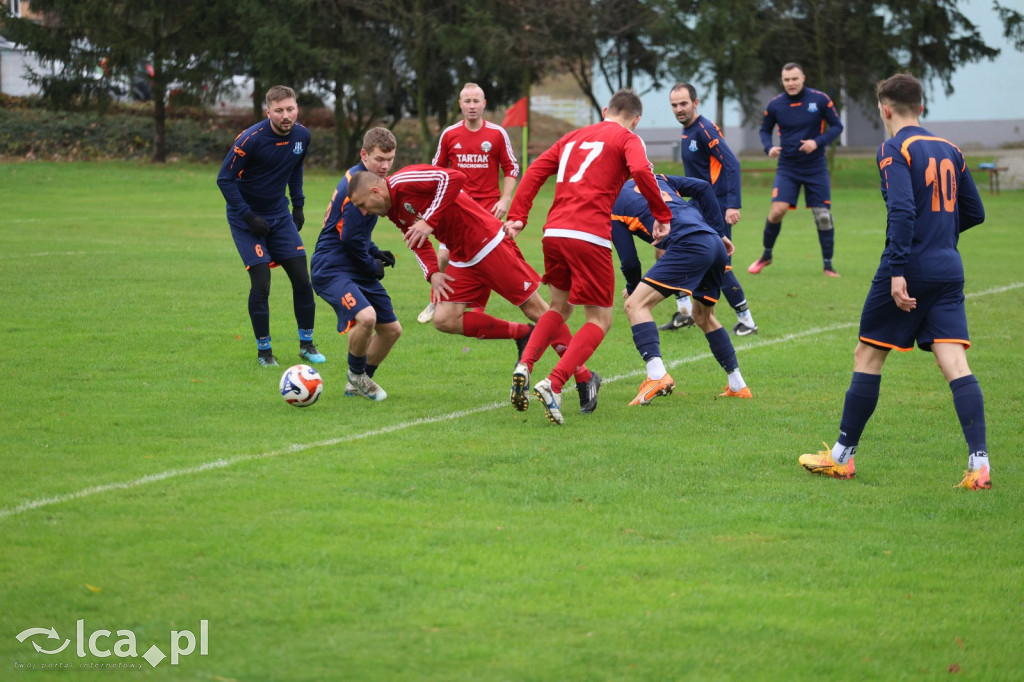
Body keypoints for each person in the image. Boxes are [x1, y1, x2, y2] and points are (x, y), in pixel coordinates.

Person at [798, 72, 989, 490]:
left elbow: (902, 211)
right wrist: (942, 237)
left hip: (908, 266)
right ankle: (979, 465)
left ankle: (842, 458)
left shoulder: (894, 147)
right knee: (955, 363)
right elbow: (975, 213)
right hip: (948, 266)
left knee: (867, 355)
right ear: (920, 107)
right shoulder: (951, 149)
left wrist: (899, 271)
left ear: (885, 109)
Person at [347, 165, 602, 414]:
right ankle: (522, 335)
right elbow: (417, 239)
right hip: (463, 256)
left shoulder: (405, 180)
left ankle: (583, 376)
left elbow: (454, 178)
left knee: (536, 309)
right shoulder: (393, 210)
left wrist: (428, 220)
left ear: (375, 192)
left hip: (487, 242)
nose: (364, 212)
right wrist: (433, 273)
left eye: (362, 205)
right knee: (445, 319)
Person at [505, 89, 671, 425]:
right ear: (636, 120)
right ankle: (553, 383)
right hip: (588, 235)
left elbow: (536, 170)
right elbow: (641, 169)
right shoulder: (628, 138)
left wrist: (519, 214)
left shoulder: (572, 136)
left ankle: (525, 364)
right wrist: (661, 214)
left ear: (606, 109)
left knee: (558, 308)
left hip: (553, 232)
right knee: (600, 320)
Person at [613, 174, 752, 405]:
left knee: (635, 305)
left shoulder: (614, 202)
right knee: (703, 316)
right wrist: (720, 233)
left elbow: (629, 262)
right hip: (713, 242)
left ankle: (657, 375)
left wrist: (632, 287)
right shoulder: (659, 178)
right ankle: (738, 384)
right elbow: (704, 187)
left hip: (688, 244)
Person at [216, 85, 324, 368]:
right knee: (262, 283)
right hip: (246, 219)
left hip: (279, 215)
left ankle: (307, 345)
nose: (286, 115)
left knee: (302, 278)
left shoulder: (302, 136)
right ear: (268, 112)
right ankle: (265, 352)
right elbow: (224, 180)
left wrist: (298, 205)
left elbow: (295, 168)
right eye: (279, 110)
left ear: (297, 108)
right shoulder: (250, 139)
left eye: (290, 109)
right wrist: (248, 217)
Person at [417, 82, 521, 325]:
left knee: (487, 259)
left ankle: (477, 307)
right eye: (467, 101)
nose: (472, 106)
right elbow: (437, 172)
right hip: (456, 208)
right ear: (460, 104)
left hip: (487, 210)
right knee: (443, 257)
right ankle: (435, 299)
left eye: (476, 101)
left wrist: (505, 199)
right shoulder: (450, 134)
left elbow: (511, 168)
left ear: (484, 104)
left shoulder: (497, 134)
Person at [310, 128, 401, 401]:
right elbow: (349, 238)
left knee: (391, 330)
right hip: (332, 267)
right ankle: (356, 375)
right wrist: (369, 264)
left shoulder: (366, 179)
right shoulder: (357, 186)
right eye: (379, 159)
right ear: (364, 154)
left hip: (351, 261)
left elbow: (356, 234)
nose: (385, 165)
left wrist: (375, 251)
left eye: (390, 159)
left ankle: (358, 382)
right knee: (367, 318)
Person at [668, 82, 758, 336]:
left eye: (683, 103)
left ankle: (747, 321)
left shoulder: (705, 130)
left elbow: (733, 165)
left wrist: (732, 205)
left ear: (695, 103)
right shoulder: (688, 131)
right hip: (697, 206)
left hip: (714, 208)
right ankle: (685, 312)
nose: (679, 109)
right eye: (674, 105)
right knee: (672, 249)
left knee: (720, 264)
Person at [749, 63, 843, 277]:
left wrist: (817, 142)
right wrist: (769, 147)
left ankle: (828, 266)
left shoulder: (820, 99)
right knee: (776, 211)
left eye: (794, 79)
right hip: (788, 167)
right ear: (782, 81)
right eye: (786, 80)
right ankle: (766, 255)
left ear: (803, 78)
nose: (791, 83)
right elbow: (764, 129)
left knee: (823, 216)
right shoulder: (776, 105)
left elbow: (837, 126)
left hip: (815, 166)